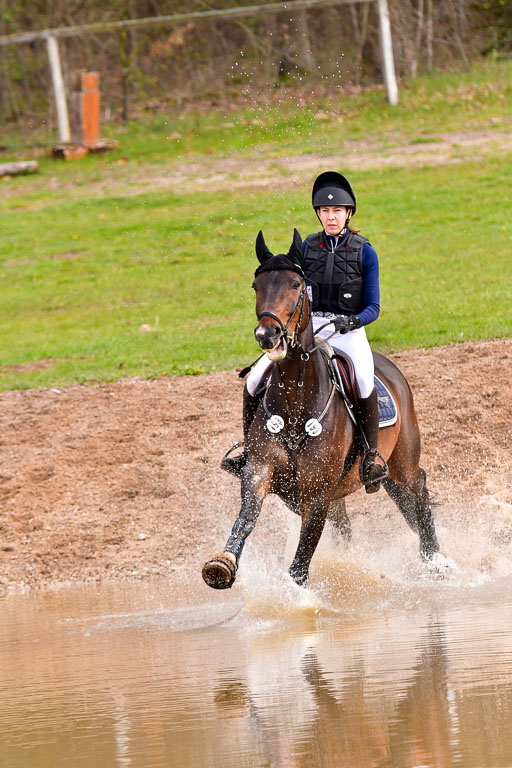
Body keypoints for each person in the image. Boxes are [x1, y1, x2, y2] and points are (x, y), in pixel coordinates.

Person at [222, 171, 388, 493]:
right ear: (318, 214)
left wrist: (351, 322)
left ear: (348, 213)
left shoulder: (365, 252)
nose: (330, 217)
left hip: (348, 331)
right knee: (255, 379)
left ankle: (370, 457)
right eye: (325, 212)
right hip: (308, 330)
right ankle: (249, 451)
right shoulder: (307, 248)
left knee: (365, 380)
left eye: (337, 211)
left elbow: (374, 307)